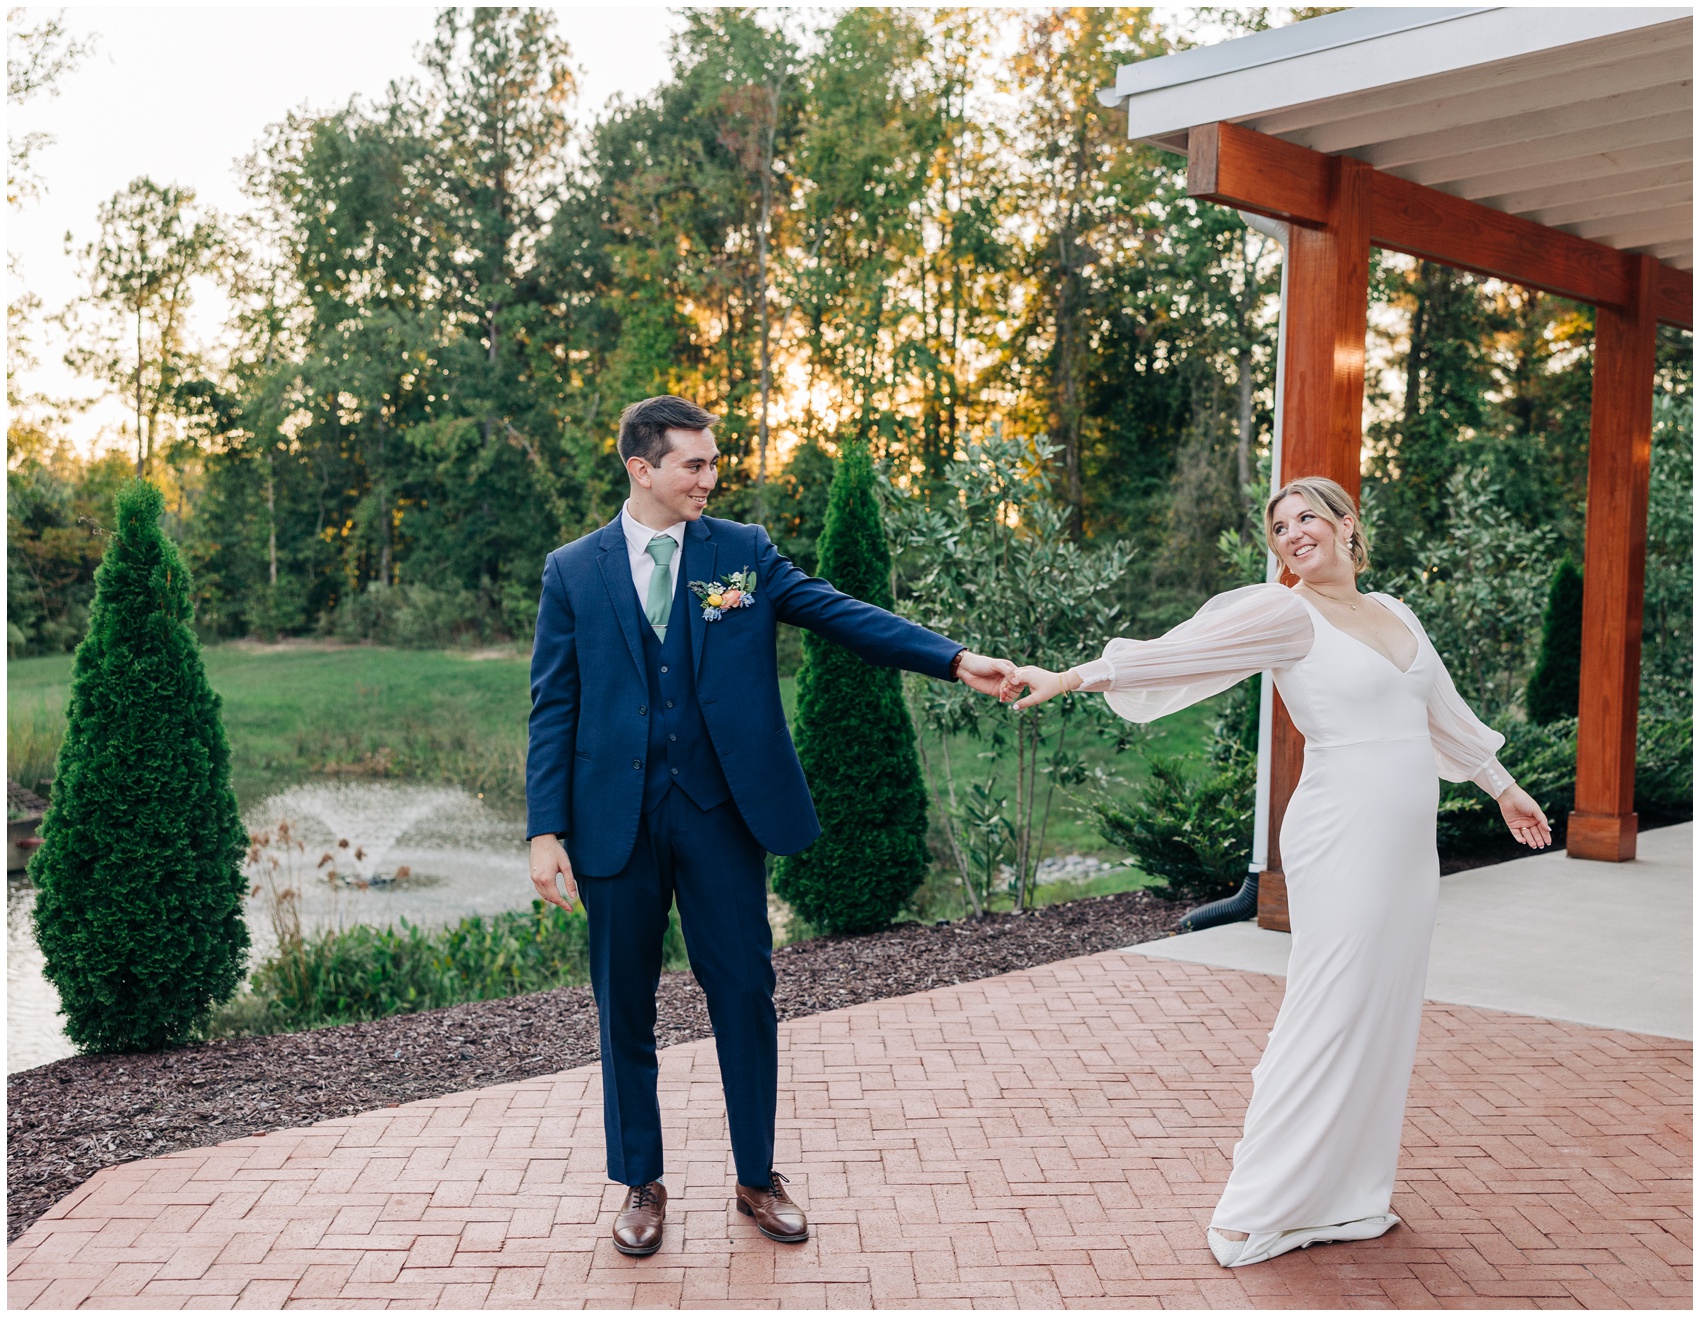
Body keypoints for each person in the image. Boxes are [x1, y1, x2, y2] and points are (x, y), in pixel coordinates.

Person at [1002, 476, 1551, 1269]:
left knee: (1382, 1009)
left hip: (1405, 846)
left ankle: (1347, 1195)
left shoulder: (1398, 613)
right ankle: (1258, 1205)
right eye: (1280, 524)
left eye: (1307, 518)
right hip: (1341, 834)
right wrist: (1074, 677)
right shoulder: (1287, 612)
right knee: (1327, 1006)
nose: (1293, 532)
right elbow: (1178, 653)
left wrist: (1504, 788)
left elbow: (1445, 715)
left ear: (1345, 526)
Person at [526, 395, 1013, 1257]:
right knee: (622, 1006)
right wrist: (544, 829)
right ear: (643, 469)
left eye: (713, 464)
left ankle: (757, 1175)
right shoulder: (572, 570)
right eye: (694, 465)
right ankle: (641, 1182)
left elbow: (839, 611)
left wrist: (954, 658)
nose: (711, 478)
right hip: (613, 823)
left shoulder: (742, 554)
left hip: (722, 816)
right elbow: (552, 705)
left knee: (746, 995)